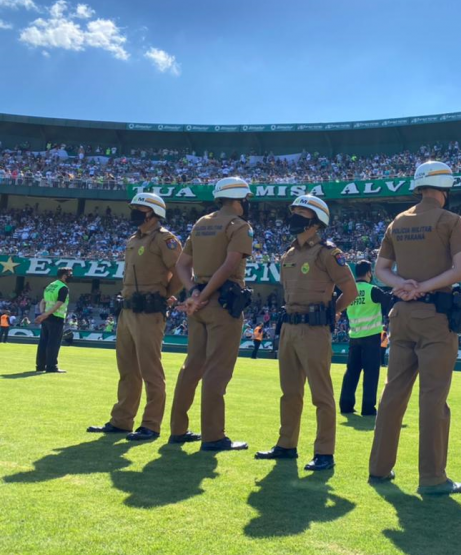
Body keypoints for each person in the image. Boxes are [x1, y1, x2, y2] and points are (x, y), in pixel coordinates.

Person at [368, 160, 461, 495]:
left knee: (392, 394)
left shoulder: (397, 222)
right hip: (434, 318)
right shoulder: (450, 221)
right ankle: (431, 478)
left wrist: (404, 286)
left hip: (401, 314)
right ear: (444, 189)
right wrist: (425, 287)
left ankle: (379, 468)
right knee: (433, 398)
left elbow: (381, 269)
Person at [256, 195, 357, 470]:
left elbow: (350, 290)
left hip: (314, 328)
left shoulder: (328, 253)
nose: (294, 216)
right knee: (289, 392)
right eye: (294, 212)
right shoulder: (288, 254)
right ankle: (286, 444)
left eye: (301, 212)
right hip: (288, 326)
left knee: (321, 394)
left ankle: (324, 453)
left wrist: (333, 312)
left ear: (315, 220)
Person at [87, 193, 183, 441]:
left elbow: (182, 272)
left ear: (152, 213)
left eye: (139, 209)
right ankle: (121, 421)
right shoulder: (133, 239)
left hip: (149, 311)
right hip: (127, 310)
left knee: (151, 370)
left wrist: (163, 296)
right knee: (127, 369)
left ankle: (151, 424)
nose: (134, 212)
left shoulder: (165, 239)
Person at [169, 176, 254, 451]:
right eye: (245, 199)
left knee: (192, 366)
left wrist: (193, 292)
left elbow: (181, 265)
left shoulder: (201, 223)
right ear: (238, 199)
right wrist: (203, 296)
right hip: (222, 304)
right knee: (217, 370)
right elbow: (229, 267)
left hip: (199, 305)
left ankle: (178, 430)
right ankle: (213, 436)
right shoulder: (239, 226)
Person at [340, 260, 390, 416]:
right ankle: (368, 408)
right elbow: (389, 304)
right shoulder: (373, 290)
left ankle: (346, 405)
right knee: (371, 373)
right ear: (369, 273)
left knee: (351, 372)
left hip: (354, 336)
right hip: (371, 337)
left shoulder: (349, 291)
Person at [35, 268, 72, 373]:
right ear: (64, 276)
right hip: (56, 317)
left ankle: (40, 366)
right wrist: (46, 314)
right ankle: (51, 367)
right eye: (70, 274)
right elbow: (59, 303)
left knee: (43, 342)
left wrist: (43, 314)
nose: (71, 276)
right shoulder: (63, 288)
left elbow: (42, 302)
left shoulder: (50, 286)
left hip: (46, 318)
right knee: (53, 343)